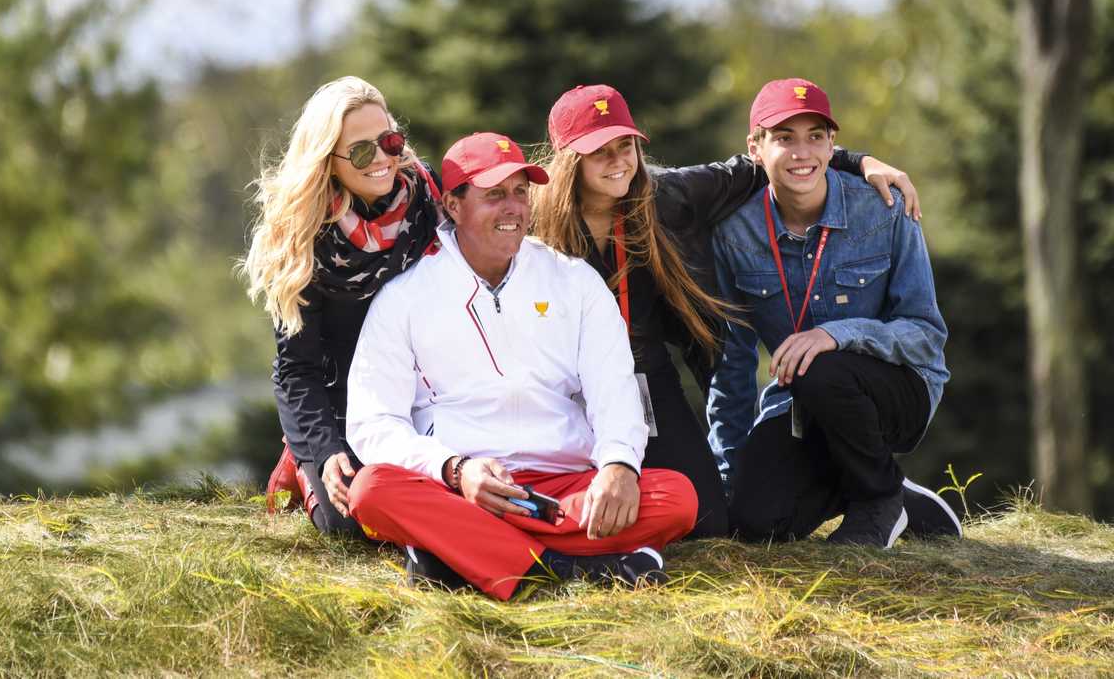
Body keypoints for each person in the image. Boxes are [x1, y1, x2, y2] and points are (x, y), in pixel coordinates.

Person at [530, 84, 921, 539]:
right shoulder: (534, 219)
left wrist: (859, 161)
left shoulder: (665, 195)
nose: (618, 161)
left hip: (641, 375)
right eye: (599, 151)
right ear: (569, 160)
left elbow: (774, 162)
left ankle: (884, 492)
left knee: (710, 524)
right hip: (559, 378)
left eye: (626, 146)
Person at [343, 132, 699, 600]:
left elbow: (613, 388)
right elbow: (372, 423)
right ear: (452, 204)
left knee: (677, 498)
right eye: (494, 195)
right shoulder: (405, 295)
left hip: (566, 487)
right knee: (372, 491)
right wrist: (455, 469)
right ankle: (562, 569)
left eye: (520, 192)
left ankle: (459, 555)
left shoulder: (573, 280)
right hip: (461, 487)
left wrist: (617, 464)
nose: (513, 208)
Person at [709, 78, 961, 548]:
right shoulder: (734, 233)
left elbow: (925, 334)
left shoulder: (885, 208)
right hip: (798, 404)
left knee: (821, 367)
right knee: (755, 522)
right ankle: (893, 493)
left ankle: (880, 500)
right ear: (755, 148)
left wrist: (837, 334)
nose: (802, 152)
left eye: (816, 137)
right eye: (784, 138)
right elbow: (733, 361)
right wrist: (730, 472)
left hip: (895, 390)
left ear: (831, 145)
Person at [243, 76, 442, 538]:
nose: (383, 160)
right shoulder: (300, 238)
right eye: (361, 151)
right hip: (342, 405)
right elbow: (296, 370)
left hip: (425, 393)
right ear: (327, 161)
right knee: (351, 522)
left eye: (390, 141)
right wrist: (325, 449)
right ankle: (300, 461)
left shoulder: (430, 201)